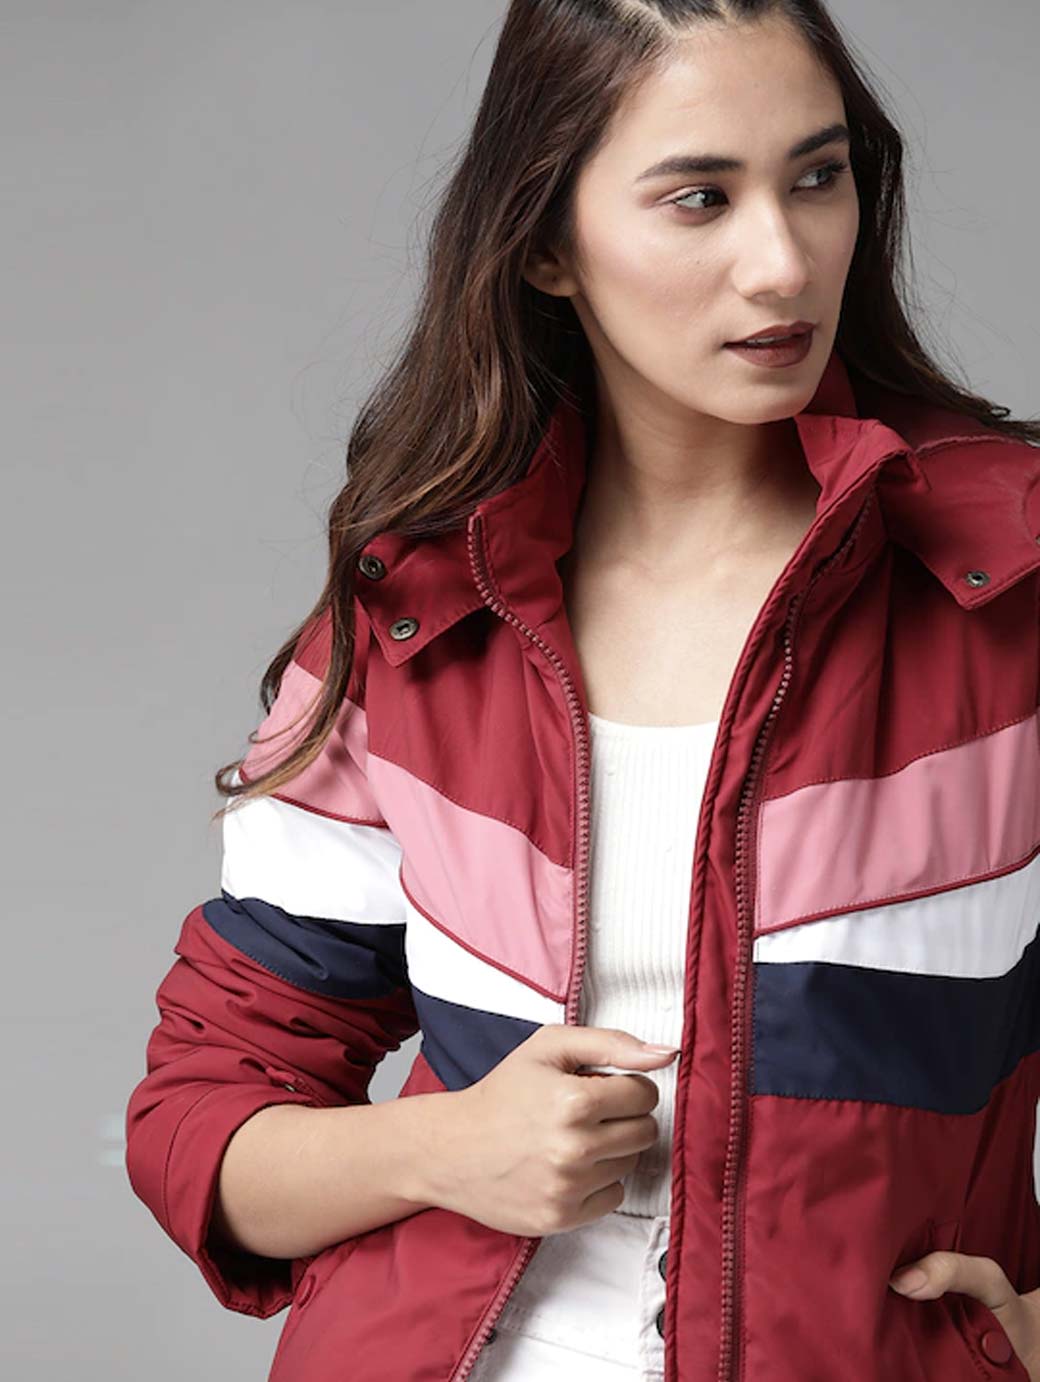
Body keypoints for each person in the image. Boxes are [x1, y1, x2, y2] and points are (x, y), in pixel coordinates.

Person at [124, 2, 1040, 1379]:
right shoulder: (422, 616)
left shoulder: (1005, 592)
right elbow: (198, 1122)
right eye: (699, 198)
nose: (784, 260)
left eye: (817, 176)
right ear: (548, 243)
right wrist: (442, 1147)